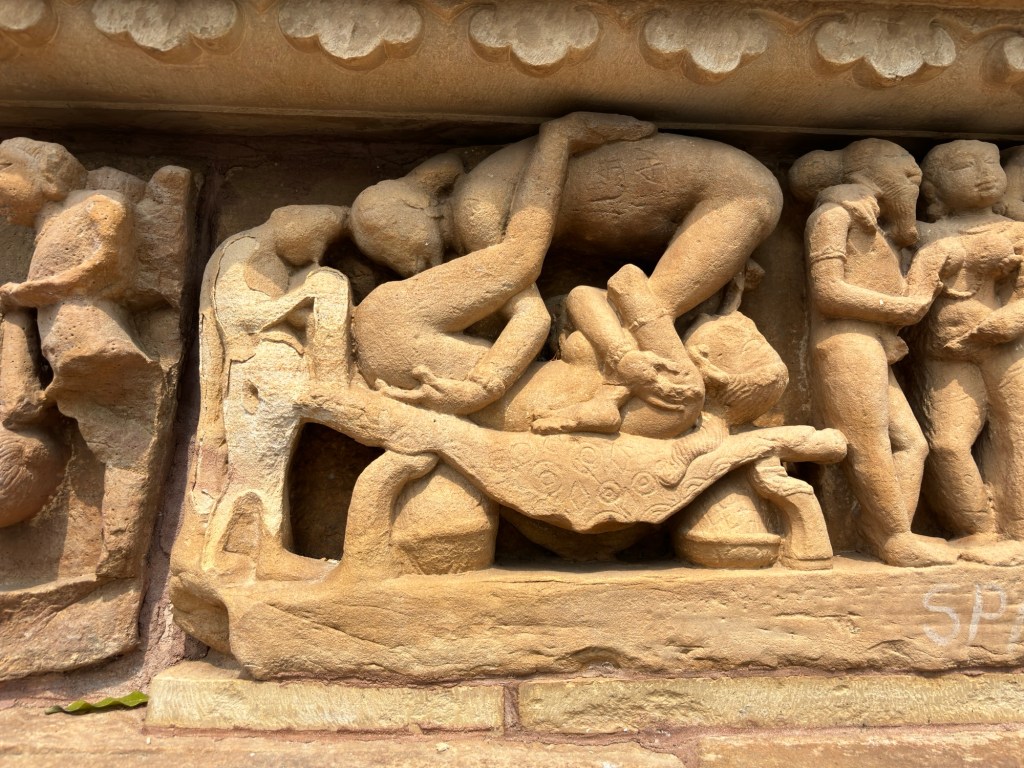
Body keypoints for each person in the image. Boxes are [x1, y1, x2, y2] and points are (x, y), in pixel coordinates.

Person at [350, 113, 783, 434]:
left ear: (422, 213)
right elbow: (575, 298)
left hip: (730, 193)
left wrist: (560, 139)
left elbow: (533, 299)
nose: (413, 270)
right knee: (631, 316)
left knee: (644, 312)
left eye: (404, 255)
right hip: (727, 189)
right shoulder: (480, 190)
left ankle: (613, 386)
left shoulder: (474, 216)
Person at [790, 138, 956, 567]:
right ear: (872, 173)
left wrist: (921, 272)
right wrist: (903, 308)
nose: (914, 178)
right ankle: (895, 538)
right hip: (847, 344)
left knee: (913, 445)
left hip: (874, 345)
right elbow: (828, 291)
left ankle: (883, 529)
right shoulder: (832, 216)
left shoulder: (877, 230)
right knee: (870, 445)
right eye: (904, 169)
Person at [908, 140, 1024, 564]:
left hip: (1005, 347)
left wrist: (1013, 318)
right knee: (946, 443)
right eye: (965, 167)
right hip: (944, 352)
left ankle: (1017, 531)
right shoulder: (922, 235)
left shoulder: (1016, 232)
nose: (984, 172)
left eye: (992, 163)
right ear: (932, 190)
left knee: (1016, 435)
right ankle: (978, 528)